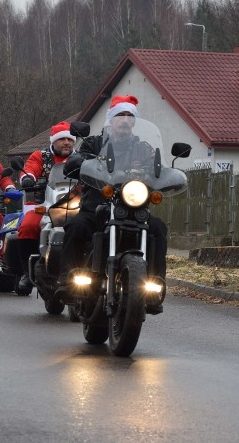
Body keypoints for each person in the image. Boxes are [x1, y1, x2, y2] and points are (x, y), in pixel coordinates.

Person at [57, 95, 167, 313]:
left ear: (134, 122)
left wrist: (165, 174)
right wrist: (78, 162)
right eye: (120, 115)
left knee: (158, 228)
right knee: (76, 225)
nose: (124, 120)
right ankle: (67, 280)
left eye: (129, 116)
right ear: (111, 119)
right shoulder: (93, 144)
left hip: (133, 208)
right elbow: (73, 162)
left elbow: (158, 169)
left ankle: (154, 286)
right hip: (97, 205)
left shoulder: (144, 148)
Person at [14, 121, 76, 294]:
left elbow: (94, 172)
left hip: (76, 204)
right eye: (62, 139)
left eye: (70, 139)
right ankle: (27, 272)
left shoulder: (82, 157)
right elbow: (30, 169)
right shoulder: (40, 156)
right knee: (27, 227)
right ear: (53, 141)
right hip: (43, 203)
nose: (66, 143)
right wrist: (28, 178)